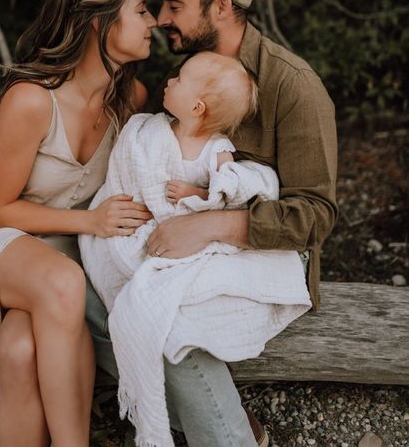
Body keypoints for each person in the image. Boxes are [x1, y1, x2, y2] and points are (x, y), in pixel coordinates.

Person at [86, 0, 338, 447]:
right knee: (87, 290)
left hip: (258, 254)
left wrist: (208, 225)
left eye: (175, 6)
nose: (160, 18)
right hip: (173, 240)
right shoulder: (187, 72)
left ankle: (232, 439)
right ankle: (214, 421)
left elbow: (316, 215)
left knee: (167, 319)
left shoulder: (294, 87)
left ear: (220, 7)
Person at [0, 0, 156, 447]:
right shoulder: (33, 99)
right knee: (61, 281)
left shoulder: (130, 100)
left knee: (17, 350)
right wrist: (92, 221)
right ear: (99, 23)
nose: (154, 22)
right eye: (141, 11)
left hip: (59, 246)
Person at [79, 51, 310, 447]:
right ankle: (195, 416)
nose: (169, 81)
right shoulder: (148, 131)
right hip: (147, 232)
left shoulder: (216, 146)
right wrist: (133, 203)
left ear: (197, 106)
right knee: (115, 294)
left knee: (166, 316)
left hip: (198, 241)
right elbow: (132, 174)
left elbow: (225, 189)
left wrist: (197, 198)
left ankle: (221, 430)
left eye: (179, 79)